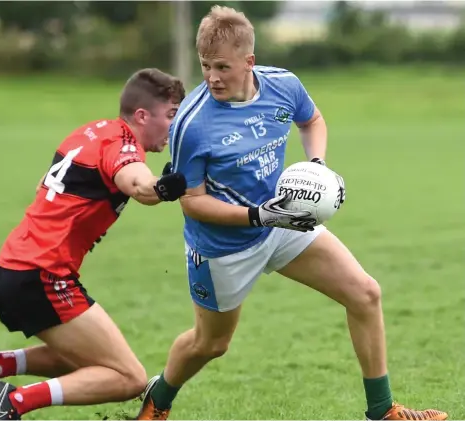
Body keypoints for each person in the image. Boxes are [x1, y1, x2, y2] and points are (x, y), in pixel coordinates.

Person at [135, 6, 448, 421]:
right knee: (210, 344)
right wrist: (259, 216)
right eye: (206, 66)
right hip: (223, 248)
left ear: (249, 61)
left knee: (365, 293)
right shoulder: (192, 124)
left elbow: (312, 119)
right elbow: (191, 201)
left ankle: (382, 411)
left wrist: (315, 165)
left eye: (223, 67)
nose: (212, 77)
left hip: (282, 223)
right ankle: (160, 397)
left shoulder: (284, 86)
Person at [0, 68, 187, 421]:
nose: (175, 126)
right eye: (171, 116)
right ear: (142, 115)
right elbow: (137, 184)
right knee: (129, 377)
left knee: (93, 356)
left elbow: (40, 188)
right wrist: (163, 187)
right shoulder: (122, 143)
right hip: (42, 275)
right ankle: (12, 403)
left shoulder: (90, 132)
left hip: (10, 270)